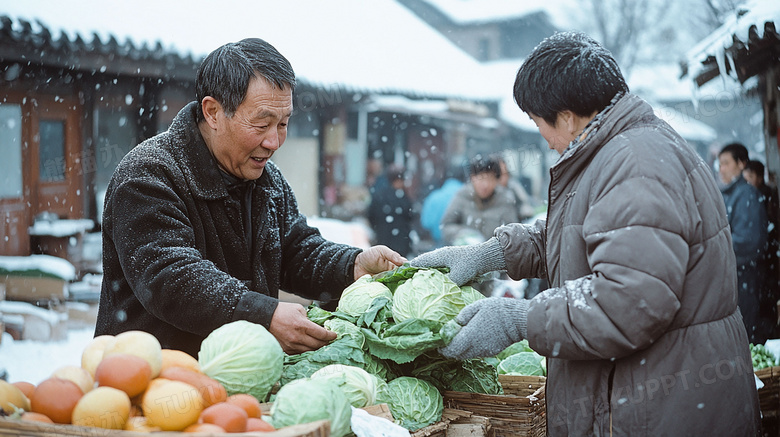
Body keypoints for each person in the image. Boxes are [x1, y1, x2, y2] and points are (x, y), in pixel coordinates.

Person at [412, 32, 759, 435]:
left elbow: (628, 302)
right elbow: (585, 235)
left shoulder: (635, 165)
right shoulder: (621, 150)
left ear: (566, 115)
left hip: (660, 408)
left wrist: (518, 320)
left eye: (536, 121)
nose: (542, 135)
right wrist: (494, 254)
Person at [95, 38, 405, 358]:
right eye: (261, 123)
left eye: (283, 124)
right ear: (213, 112)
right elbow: (170, 279)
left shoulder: (265, 178)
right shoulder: (148, 175)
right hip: (153, 380)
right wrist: (262, 314)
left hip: (240, 379)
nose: (273, 141)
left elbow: (295, 250)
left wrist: (352, 266)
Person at [718, 144, 769, 344]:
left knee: (745, 339)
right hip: (735, 282)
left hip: (746, 281)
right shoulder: (730, 194)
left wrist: (716, 249)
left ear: (741, 164)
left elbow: (749, 242)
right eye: (719, 164)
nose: (721, 169)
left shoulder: (747, 195)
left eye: (726, 163)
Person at [440, 154, 520, 246]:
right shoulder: (462, 196)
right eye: (481, 178)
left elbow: (513, 233)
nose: (485, 185)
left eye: (490, 178)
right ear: (472, 177)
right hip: (466, 254)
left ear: (497, 180)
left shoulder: (505, 199)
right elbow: (446, 226)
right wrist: (464, 234)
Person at [367, 164, 414, 257]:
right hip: (401, 242)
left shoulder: (378, 195)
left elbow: (370, 216)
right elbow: (410, 216)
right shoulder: (403, 197)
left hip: (382, 241)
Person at [420, 170, 463, 247]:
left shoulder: (434, 196)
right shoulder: (467, 195)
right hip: (464, 242)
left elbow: (426, 223)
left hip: (439, 242)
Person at [494, 153, 536, 220]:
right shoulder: (490, 193)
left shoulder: (513, 188)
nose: (504, 178)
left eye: (505, 173)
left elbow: (526, 207)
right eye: (499, 174)